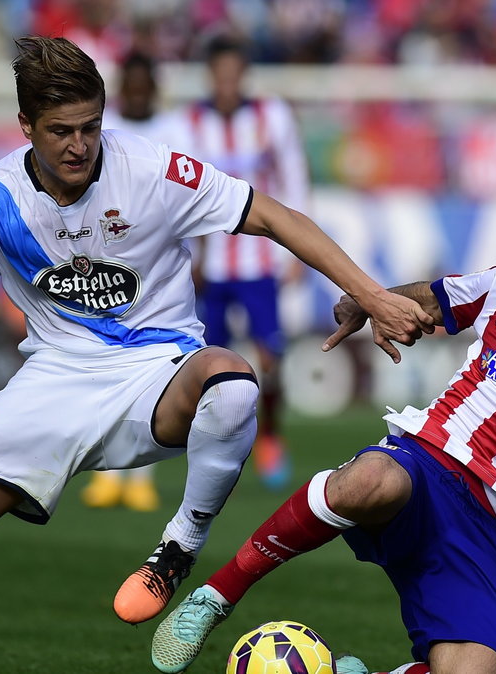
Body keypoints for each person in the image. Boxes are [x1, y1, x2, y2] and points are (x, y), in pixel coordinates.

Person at [0, 36, 432, 674]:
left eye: (90, 127)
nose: (79, 145)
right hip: (52, 384)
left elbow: (274, 217)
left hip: (159, 372)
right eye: (60, 131)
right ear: (25, 128)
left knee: (235, 384)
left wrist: (371, 294)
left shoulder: (154, 170)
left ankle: (180, 546)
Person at [150, 174, 496, 674]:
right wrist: (372, 300)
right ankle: (215, 596)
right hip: (427, 464)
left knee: (479, 670)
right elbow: (435, 297)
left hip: (491, 531)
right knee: (368, 480)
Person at [178, 35, 311, 490]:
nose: (229, 82)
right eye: (221, 73)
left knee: (271, 354)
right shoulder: (190, 122)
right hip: (210, 267)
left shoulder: (270, 116)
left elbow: (293, 178)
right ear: (211, 76)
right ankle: (211, 447)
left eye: (236, 73)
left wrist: (297, 250)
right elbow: (181, 192)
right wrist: (191, 253)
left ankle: (271, 436)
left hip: (260, 261)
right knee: (208, 361)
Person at [79, 50, 182, 513]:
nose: (137, 94)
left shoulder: (175, 131)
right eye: (131, 86)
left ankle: (140, 477)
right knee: (103, 365)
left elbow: (188, 201)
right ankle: (108, 472)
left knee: (153, 369)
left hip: (157, 263)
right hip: (105, 260)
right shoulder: (101, 127)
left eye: (144, 87)